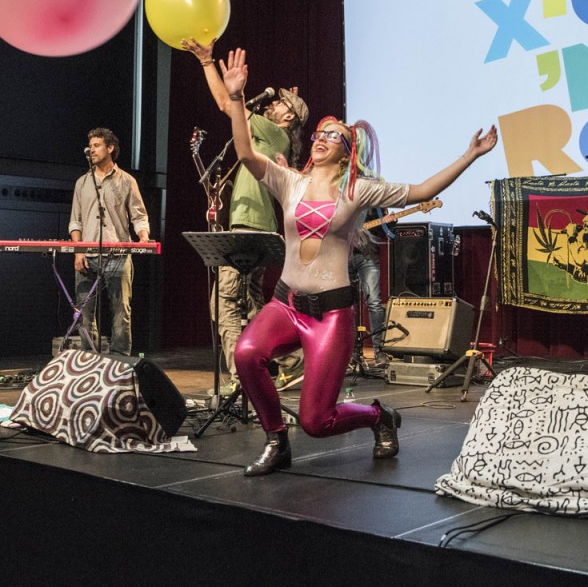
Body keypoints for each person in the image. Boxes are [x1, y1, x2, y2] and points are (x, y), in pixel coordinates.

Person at [217, 48, 498, 475]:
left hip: (330, 316)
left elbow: (422, 191)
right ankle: (276, 441)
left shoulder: (359, 190)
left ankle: (379, 417)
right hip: (285, 305)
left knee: (317, 422)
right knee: (247, 352)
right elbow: (245, 152)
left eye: (332, 136)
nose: (321, 138)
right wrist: (237, 97)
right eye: (320, 133)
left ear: (347, 151)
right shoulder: (289, 182)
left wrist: (469, 155)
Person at [182, 38, 308, 384]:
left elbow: (226, 103)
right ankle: (292, 361)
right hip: (257, 227)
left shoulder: (273, 132)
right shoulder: (274, 138)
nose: (273, 103)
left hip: (248, 228)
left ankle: (243, 378)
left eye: (281, 103)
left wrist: (206, 62)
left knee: (224, 302)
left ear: (289, 118)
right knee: (252, 304)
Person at [68, 127, 151, 356]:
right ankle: (89, 359)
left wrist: (143, 236)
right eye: (90, 146)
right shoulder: (82, 183)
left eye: (96, 145)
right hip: (88, 255)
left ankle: (119, 361)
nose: (91, 150)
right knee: (85, 313)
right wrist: (78, 251)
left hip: (118, 255)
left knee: (121, 312)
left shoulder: (127, 181)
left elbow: (139, 216)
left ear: (110, 148)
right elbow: (75, 221)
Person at [349, 208, 393, 369]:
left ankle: (379, 351)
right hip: (342, 255)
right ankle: (352, 351)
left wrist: (390, 222)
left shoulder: (374, 201)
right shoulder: (338, 198)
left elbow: (383, 228)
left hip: (367, 256)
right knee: (347, 306)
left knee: (374, 302)